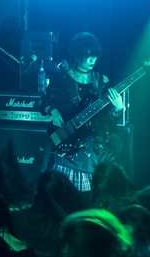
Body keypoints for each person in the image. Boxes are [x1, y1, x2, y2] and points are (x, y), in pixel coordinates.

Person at [43, 32, 126, 192]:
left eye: (94, 55)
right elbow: (43, 101)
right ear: (77, 55)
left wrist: (118, 109)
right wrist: (53, 111)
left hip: (96, 151)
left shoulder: (102, 81)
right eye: (87, 56)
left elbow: (107, 122)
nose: (92, 60)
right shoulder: (62, 80)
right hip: (70, 148)